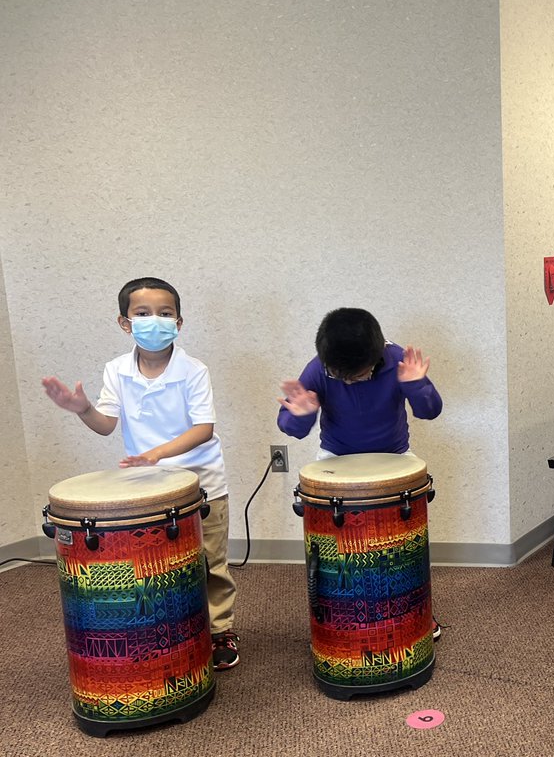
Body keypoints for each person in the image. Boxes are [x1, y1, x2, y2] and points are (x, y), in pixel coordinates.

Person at [42, 277, 241, 670]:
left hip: (203, 484)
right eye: (143, 313)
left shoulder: (193, 370)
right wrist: (83, 409)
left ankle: (220, 630)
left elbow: (204, 428)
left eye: (165, 314)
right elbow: (105, 424)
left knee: (210, 564)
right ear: (124, 322)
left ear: (178, 323)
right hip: (148, 490)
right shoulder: (116, 370)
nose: (155, 321)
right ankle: (173, 630)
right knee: (155, 566)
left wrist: (157, 454)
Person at [277, 307, 444, 637]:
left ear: (378, 355)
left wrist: (416, 385)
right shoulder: (320, 368)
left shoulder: (397, 360)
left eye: (357, 376)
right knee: (340, 550)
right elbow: (290, 427)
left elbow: (430, 411)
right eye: (340, 376)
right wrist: (302, 415)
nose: (348, 382)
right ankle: (342, 617)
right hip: (336, 458)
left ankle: (417, 613)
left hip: (394, 456)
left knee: (401, 547)